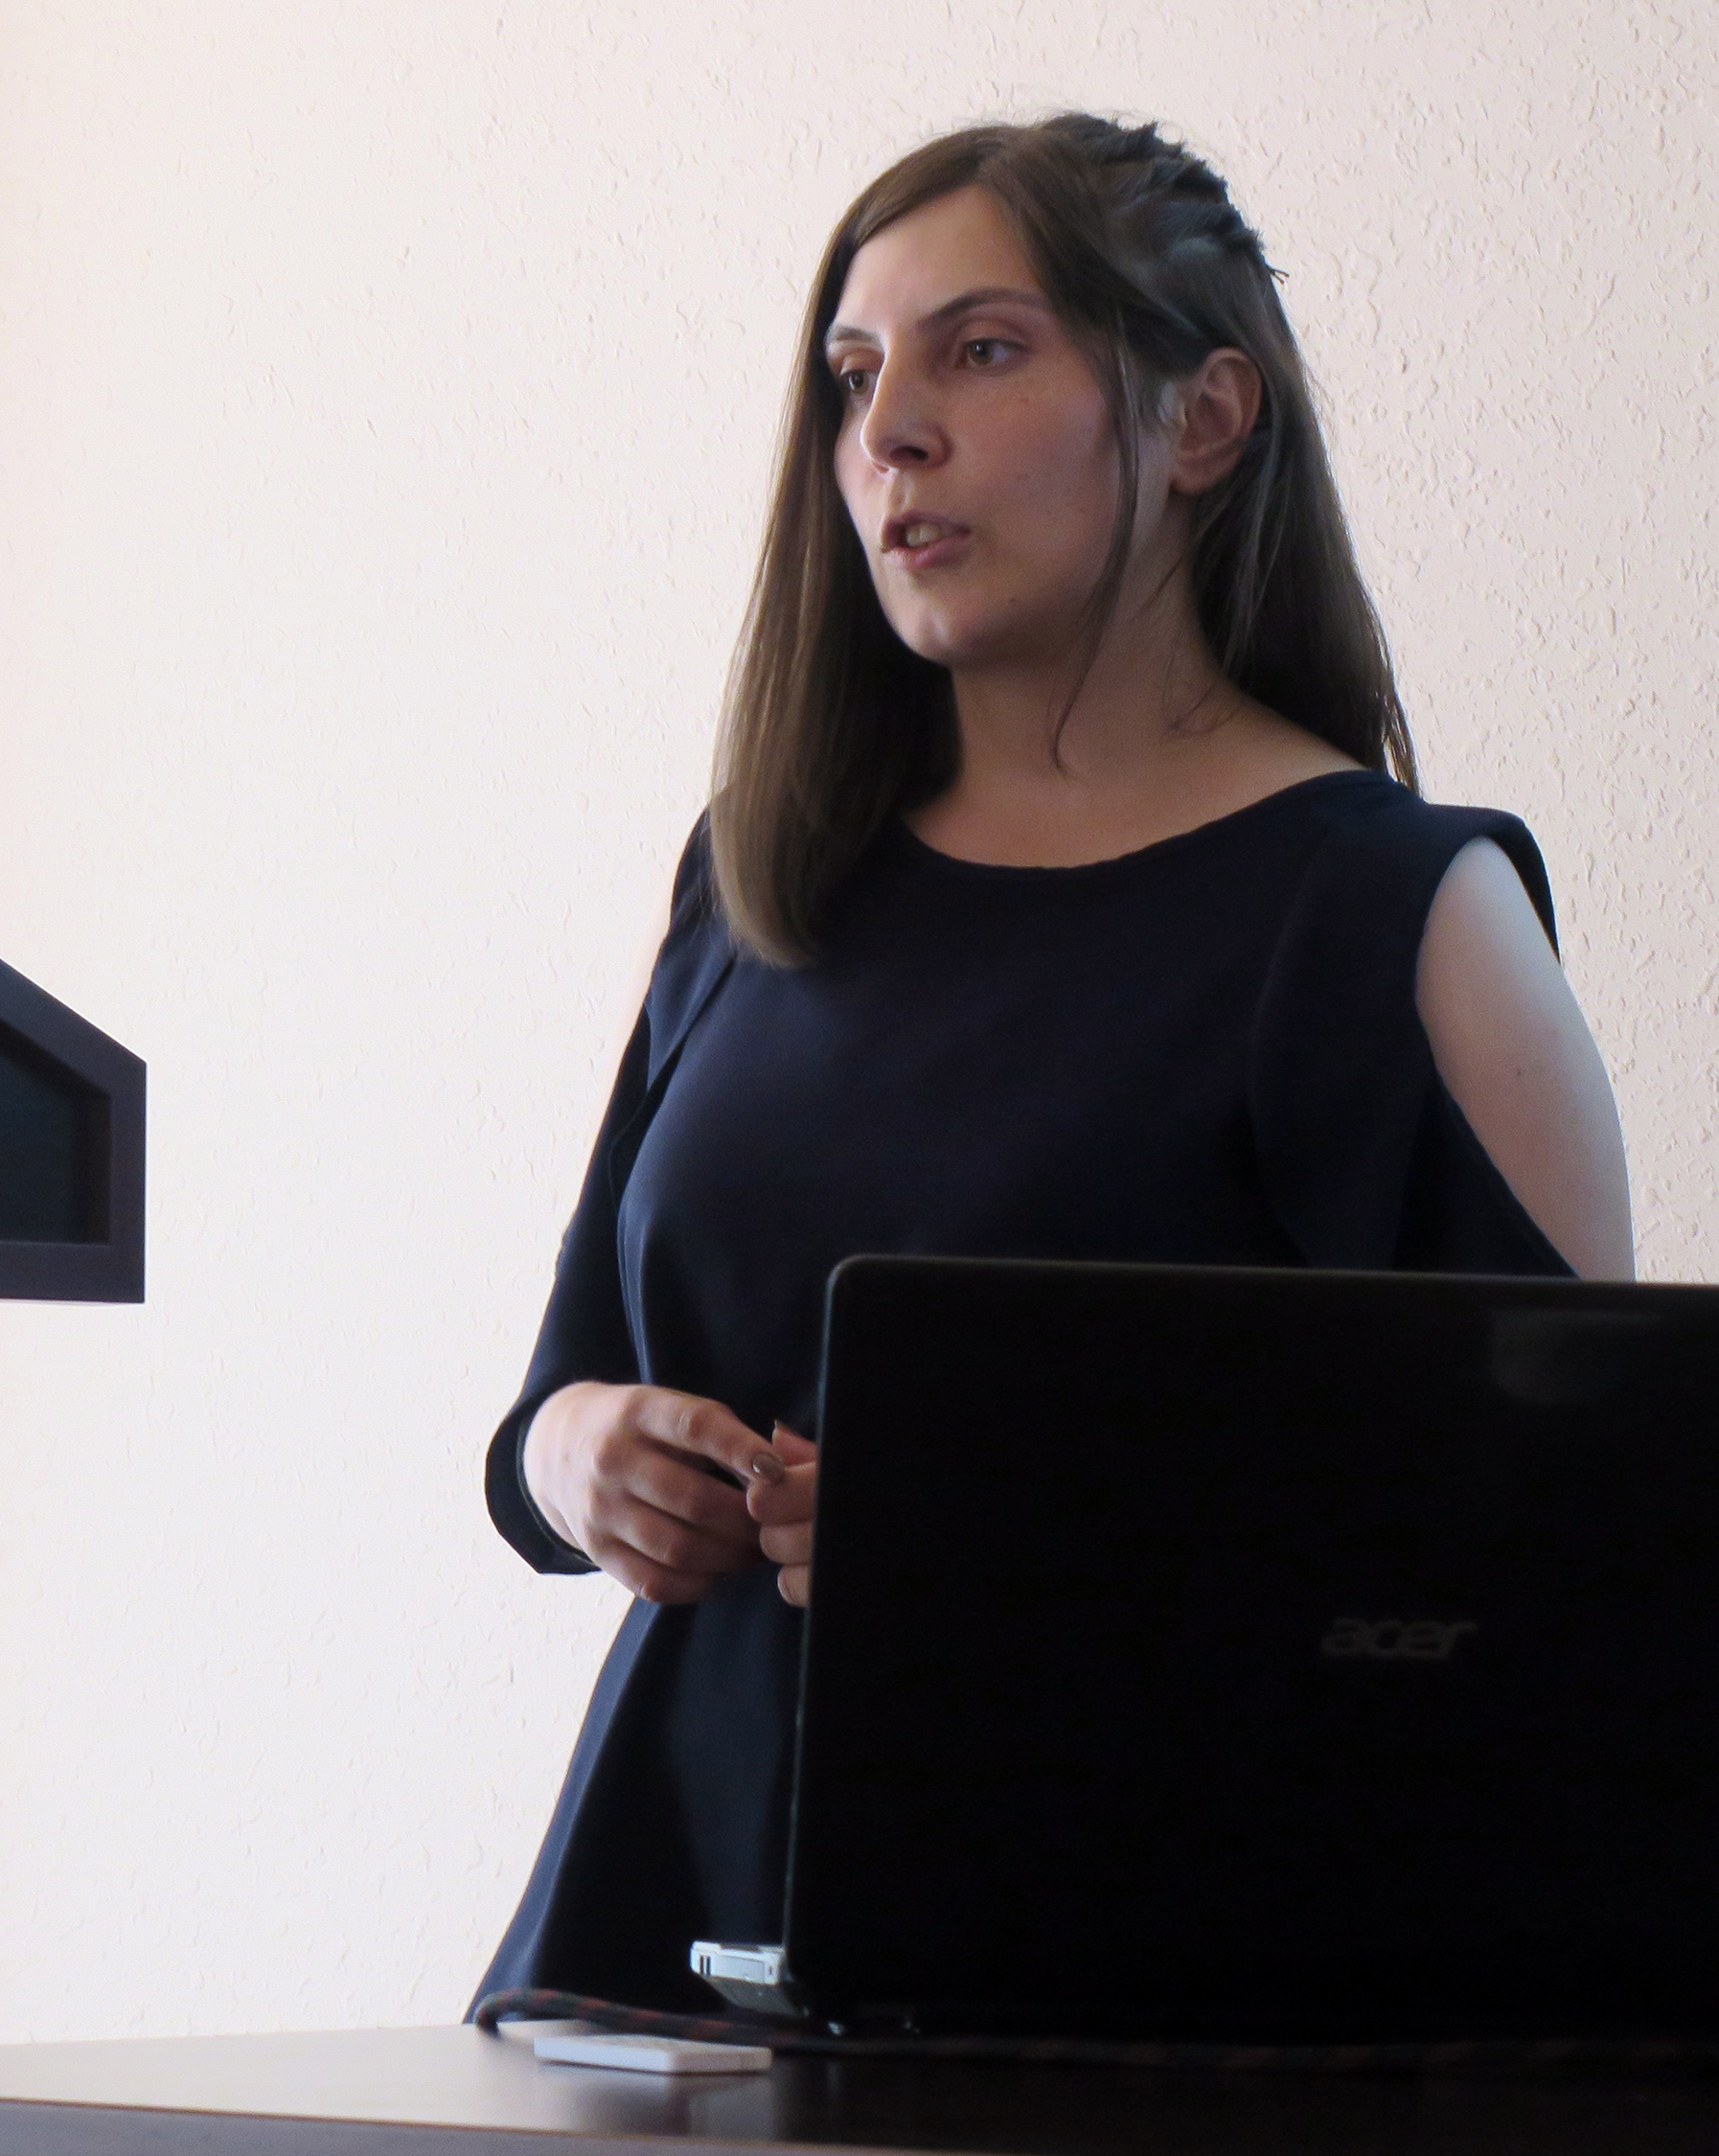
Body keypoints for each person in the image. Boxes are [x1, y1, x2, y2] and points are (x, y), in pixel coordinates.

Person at [472, 114, 1634, 2012]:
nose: (891, 434)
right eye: (854, 376)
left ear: (1203, 419)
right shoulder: (755, 879)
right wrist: (580, 1455)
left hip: (1160, 1990)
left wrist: (1019, 1540)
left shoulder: (1396, 912)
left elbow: (1561, 1568)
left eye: (982, 350)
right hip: (666, 1956)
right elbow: (550, 1408)